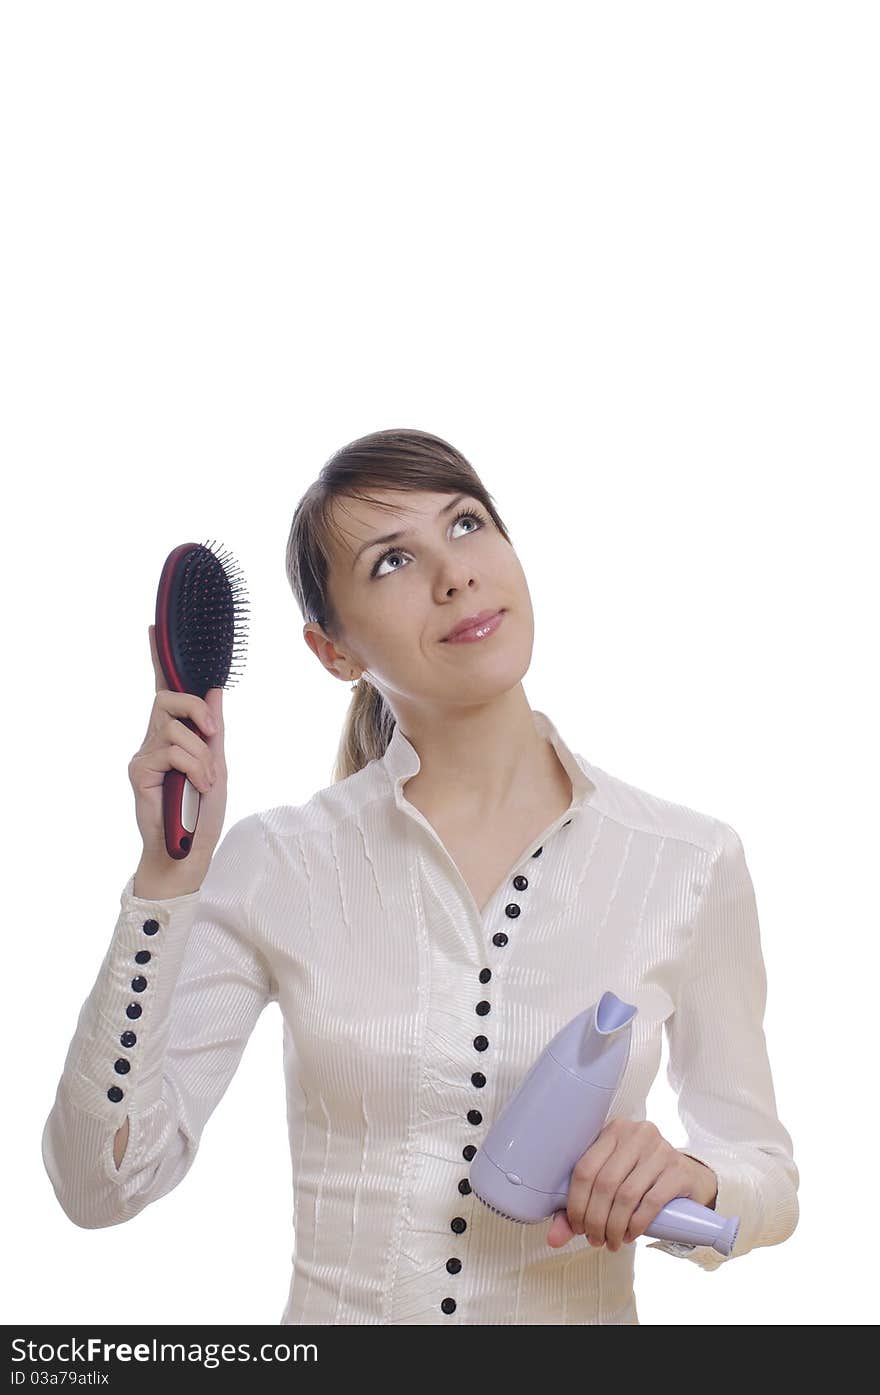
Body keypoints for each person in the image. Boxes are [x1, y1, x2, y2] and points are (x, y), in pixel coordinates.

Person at [41, 427, 799, 1325]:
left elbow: (767, 1174)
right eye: (394, 558)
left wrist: (695, 1177)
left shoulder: (686, 860)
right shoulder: (278, 862)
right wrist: (167, 879)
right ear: (335, 652)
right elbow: (101, 1183)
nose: (455, 574)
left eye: (469, 524)